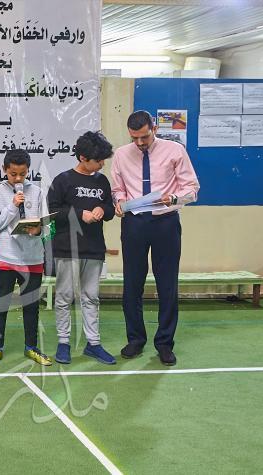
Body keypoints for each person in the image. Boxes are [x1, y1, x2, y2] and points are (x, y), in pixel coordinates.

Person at [112, 110, 200, 366]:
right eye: (134, 138)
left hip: (166, 221)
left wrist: (173, 198)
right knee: (132, 284)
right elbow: (117, 188)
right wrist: (119, 202)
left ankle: (164, 343)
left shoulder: (175, 151)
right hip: (134, 223)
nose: (139, 143)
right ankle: (135, 339)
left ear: (155, 129)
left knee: (167, 284)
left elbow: (192, 189)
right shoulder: (121, 155)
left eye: (144, 137)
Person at [47, 131, 116, 365]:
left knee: (91, 297)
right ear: (83, 158)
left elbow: (110, 209)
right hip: (68, 249)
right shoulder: (63, 180)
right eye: (98, 160)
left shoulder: (102, 181)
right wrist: (79, 214)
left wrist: (103, 210)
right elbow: (53, 211)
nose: (102, 164)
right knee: (64, 297)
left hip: (94, 248)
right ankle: (63, 342)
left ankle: (93, 344)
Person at [0, 149, 52, 367]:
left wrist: (38, 230)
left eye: (23, 174)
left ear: (28, 171)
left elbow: (47, 226)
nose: (18, 178)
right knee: (0, 305)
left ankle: (31, 346)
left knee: (31, 306)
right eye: (13, 174)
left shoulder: (37, 192)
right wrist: (13, 206)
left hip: (32, 258)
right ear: (4, 170)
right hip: (5, 258)